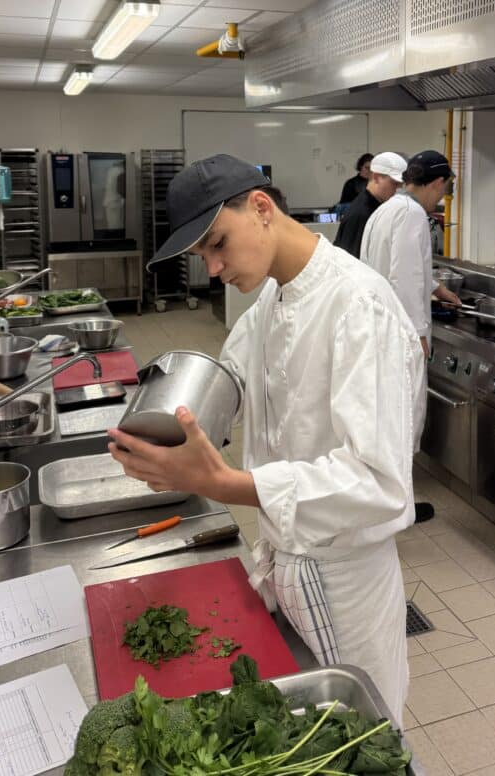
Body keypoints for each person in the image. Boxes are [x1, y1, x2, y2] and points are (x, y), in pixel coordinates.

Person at [107, 154, 424, 719]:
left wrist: (224, 484)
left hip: (346, 583)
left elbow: (378, 481)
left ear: (260, 208)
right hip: (286, 567)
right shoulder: (271, 301)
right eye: (202, 255)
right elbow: (226, 386)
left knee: (361, 735)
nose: (213, 268)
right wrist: (165, 434)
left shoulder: (360, 305)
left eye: (217, 244)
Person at [360, 149, 461, 524]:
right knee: (403, 418)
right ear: (436, 182)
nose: (442, 196)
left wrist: (437, 288)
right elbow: (403, 278)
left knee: (386, 417)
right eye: (444, 189)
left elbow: (404, 266)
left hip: (379, 328)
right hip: (398, 335)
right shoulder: (413, 215)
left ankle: (384, 497)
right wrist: (417, 334)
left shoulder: (388, 209)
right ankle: (398, 506)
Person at [333, 151, 406, 259]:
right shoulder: (362, 213)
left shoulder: (375, 206)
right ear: (376, 177)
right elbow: (351, 260)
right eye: (394, 183)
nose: (398, 189)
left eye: (400, 185)